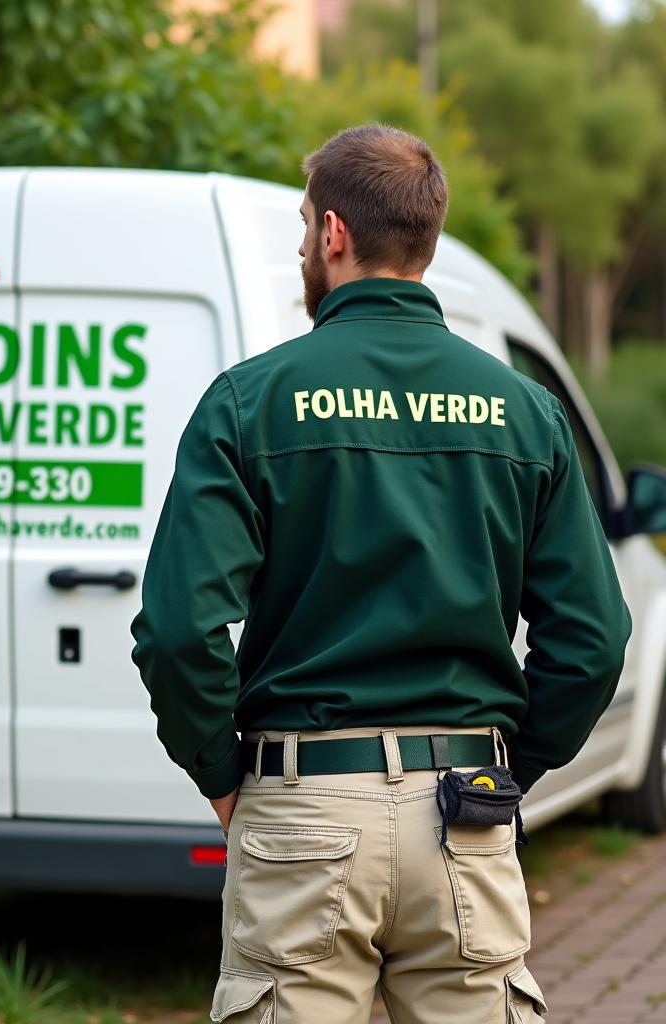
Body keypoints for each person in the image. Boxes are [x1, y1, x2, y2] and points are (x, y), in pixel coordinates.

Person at [128, 123, 633, 1024]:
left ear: (332, 233)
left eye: (301, 225)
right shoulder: (527, 412)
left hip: (302, 808)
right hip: (468, 809)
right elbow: (593, 641)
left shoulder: (249, 403)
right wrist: (516, 760)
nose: (300, 246)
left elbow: (177, 629)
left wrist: (218, 772)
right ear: (426, 240)